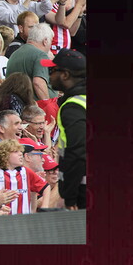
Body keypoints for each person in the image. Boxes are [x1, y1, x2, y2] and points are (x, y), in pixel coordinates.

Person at [43, 48, 87, 210]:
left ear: (65, 75)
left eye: (52, 70)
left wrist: (70, 197)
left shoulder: (73, 107)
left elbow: (77, 152)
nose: (49, 75)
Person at [0, 139, 49, 215]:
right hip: (2, 218)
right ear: (4, 155)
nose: (20, 154)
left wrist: (45, 206)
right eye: (16, 152)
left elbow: (46, 187)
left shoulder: (26, 171)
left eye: (20, 152)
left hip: (23, 219)